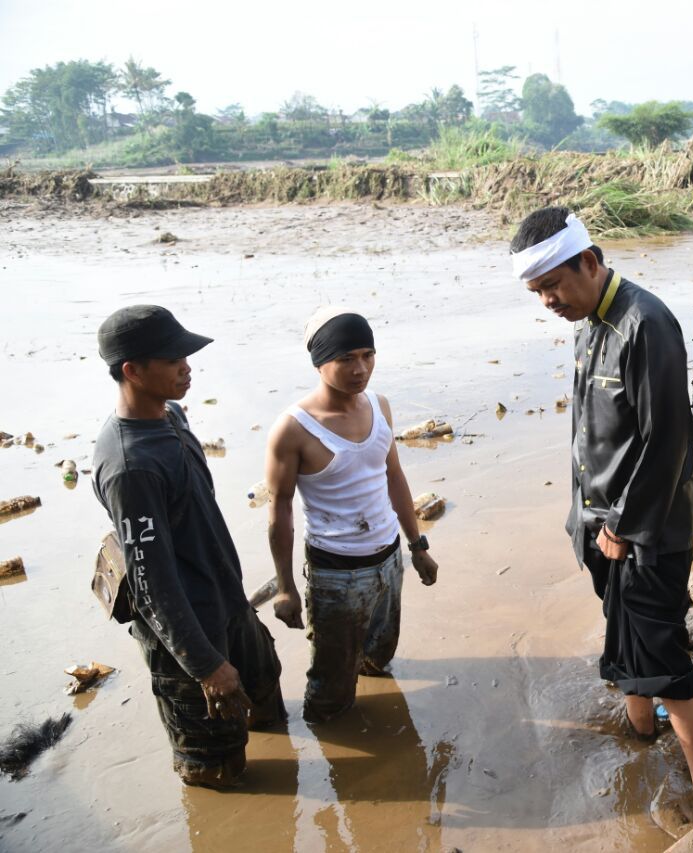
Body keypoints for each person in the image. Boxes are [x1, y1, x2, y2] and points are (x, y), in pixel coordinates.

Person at [511, 207, 693, 833]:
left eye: (555, 285)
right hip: (601, 525)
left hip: (646, 530)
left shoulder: (645, 323)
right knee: (621, 633)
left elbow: (666, 439)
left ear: (590, 262)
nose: (549, 301)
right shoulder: (586, 322)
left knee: (661, 655)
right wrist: (592, 523)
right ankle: (638, 736)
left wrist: (624, 526)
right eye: (538, 292)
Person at [91, 305, 285, 789]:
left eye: (187, 355)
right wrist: (206, 666)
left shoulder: (171, 415)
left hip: (228, 603)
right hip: (188, 636)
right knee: (216, 769)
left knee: (268, 705)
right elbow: (151, 585)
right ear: (132, 371)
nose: (187, 367)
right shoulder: (130, 467)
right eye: (173, 359)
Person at [264, 307, 439, 724]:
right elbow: (279, 511)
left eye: (367, 355)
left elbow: (393, 476)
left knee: (379, 655)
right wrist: (286, 587)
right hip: (336, 574)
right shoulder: (294, 428)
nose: (360, 369)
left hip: (388, 561)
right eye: (346, 359)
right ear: (319, 362)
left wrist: (417, 548)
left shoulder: (379, 406)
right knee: (330, 688)